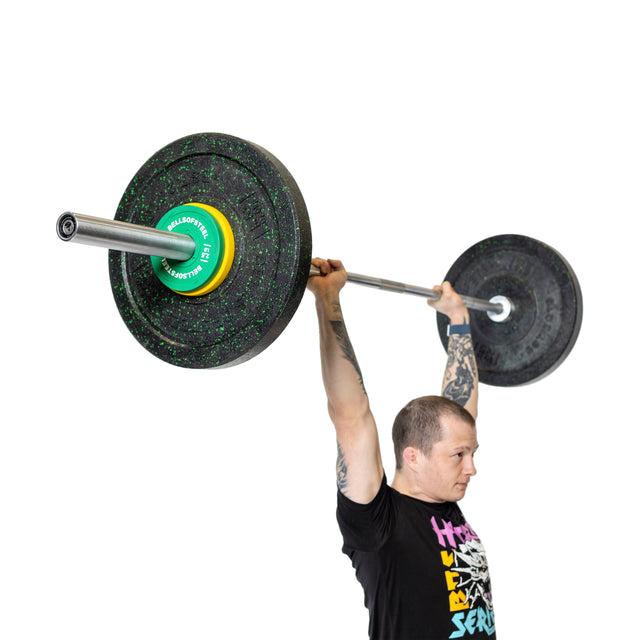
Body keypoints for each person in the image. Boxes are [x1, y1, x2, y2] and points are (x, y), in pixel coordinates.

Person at [307, 258, 496, 640]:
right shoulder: (377, 522)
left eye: (471, 454)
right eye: (459, 455)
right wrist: (328, 300)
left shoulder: (442, 500)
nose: (471, 468)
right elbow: (351, 417)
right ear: (413, 457)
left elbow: (460, 413)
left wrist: (458, 321)